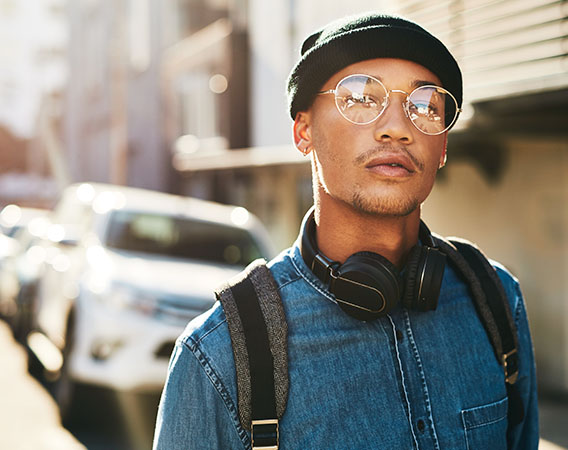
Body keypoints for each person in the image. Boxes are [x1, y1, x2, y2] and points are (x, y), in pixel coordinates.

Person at [154, 13, 538, 449]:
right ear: (303, 131)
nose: (398, 127)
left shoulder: (496, 301)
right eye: (359, 97)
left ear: (443, 146)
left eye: (426, 105)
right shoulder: (220, 354)